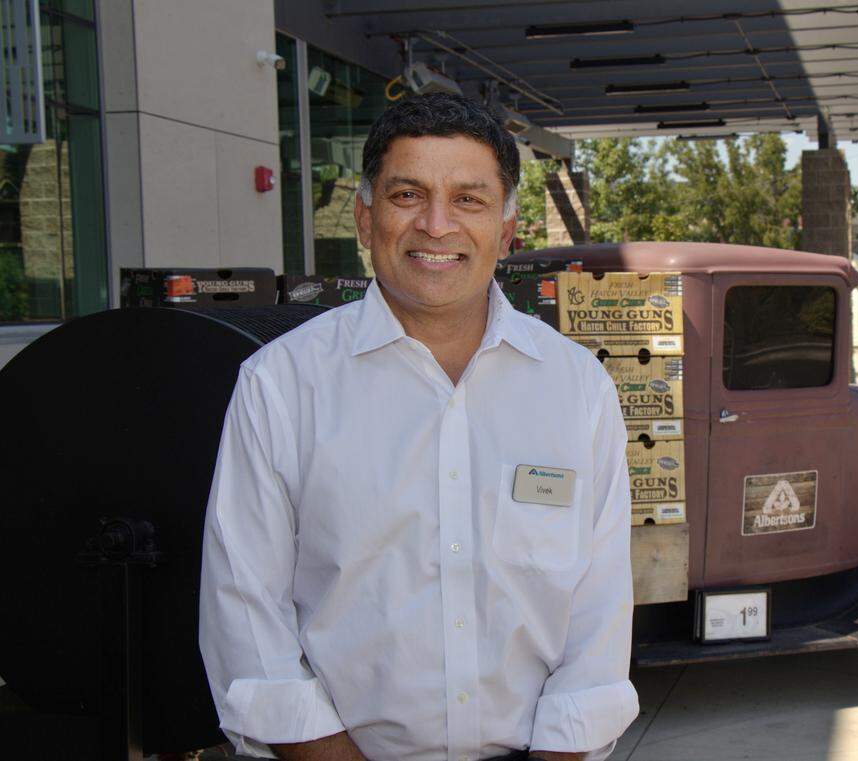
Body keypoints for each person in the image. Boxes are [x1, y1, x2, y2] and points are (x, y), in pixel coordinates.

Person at [198, 93, 638, 761]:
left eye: (468, 199)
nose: (437, 225)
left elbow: (598, 614)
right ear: (365, 216)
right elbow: (247, 621)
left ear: (507, 226)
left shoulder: (577, 388)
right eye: (409, 194)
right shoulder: (280, 386)